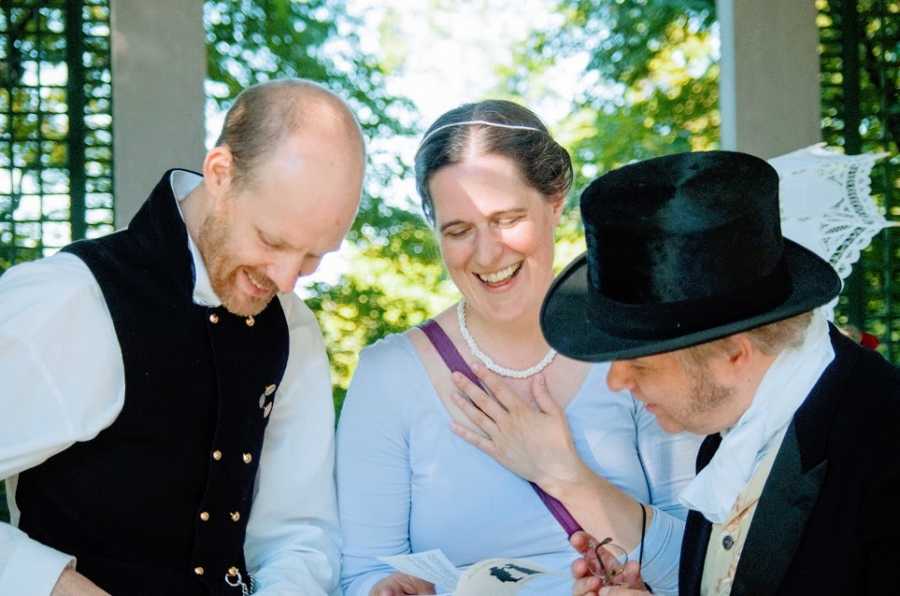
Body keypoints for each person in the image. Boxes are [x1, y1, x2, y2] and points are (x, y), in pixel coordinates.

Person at [0, 79, 365, 595]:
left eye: (314, 257)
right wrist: (55, 585)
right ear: (220, 174)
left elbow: (299, 533)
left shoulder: (293, 331)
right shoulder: (70, 298)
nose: (286, 279)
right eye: (272, 240)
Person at [336, 100, 701, 596]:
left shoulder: (635, 350)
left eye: (506, 219)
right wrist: (380, 589)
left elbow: (703, 564)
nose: (486, 254)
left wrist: (564, 474)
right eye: (458, 230)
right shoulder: (389, 376)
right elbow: (359, 572)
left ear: (555, 202)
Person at [516, 151, 898, 596]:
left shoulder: (886, 449)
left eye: (640, 362)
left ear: (733, 354)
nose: (617, 382)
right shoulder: (722, 437)